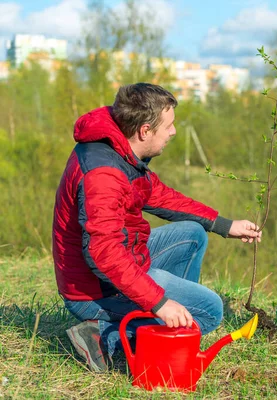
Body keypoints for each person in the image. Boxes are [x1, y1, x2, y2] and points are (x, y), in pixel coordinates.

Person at [52, 83, 262, 372]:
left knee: (192, 235)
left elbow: (158, 194)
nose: (174, 132)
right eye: (169, 126)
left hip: (121, 260)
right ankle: (103, 336)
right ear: (145, 131)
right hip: (94, 289)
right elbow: (104, 254)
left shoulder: (119, 148)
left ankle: (168, 328)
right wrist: (160, 302)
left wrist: (224, 225)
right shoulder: (103, 174)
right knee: (211, 311)